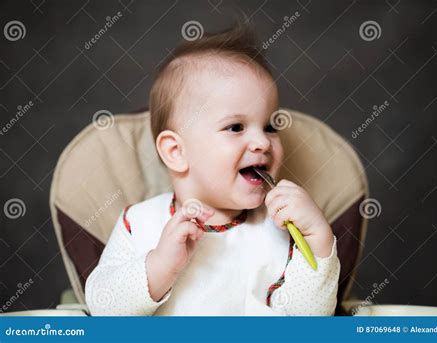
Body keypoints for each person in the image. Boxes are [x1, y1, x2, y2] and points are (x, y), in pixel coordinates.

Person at [85, 22, 340, 316]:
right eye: (235, 127)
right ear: (176, 152)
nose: (262, 142)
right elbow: (102, 307)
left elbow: (309, 324)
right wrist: (160, 266)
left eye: (269, 127)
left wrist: (318, 239)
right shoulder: (139, 223)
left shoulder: (284, 229)